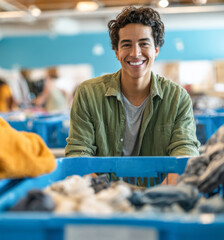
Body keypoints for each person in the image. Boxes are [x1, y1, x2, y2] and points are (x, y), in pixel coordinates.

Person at [65, 6, 200, 159]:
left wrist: (167, 184)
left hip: (161, 183)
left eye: (144, 44)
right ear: (116, 52)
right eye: (126, 45)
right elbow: (79, 151)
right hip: (103, 182)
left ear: (156, 50)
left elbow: (185, 150)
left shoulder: (177, 98)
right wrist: (100, 184)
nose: (135, 53)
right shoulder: (88, 94)